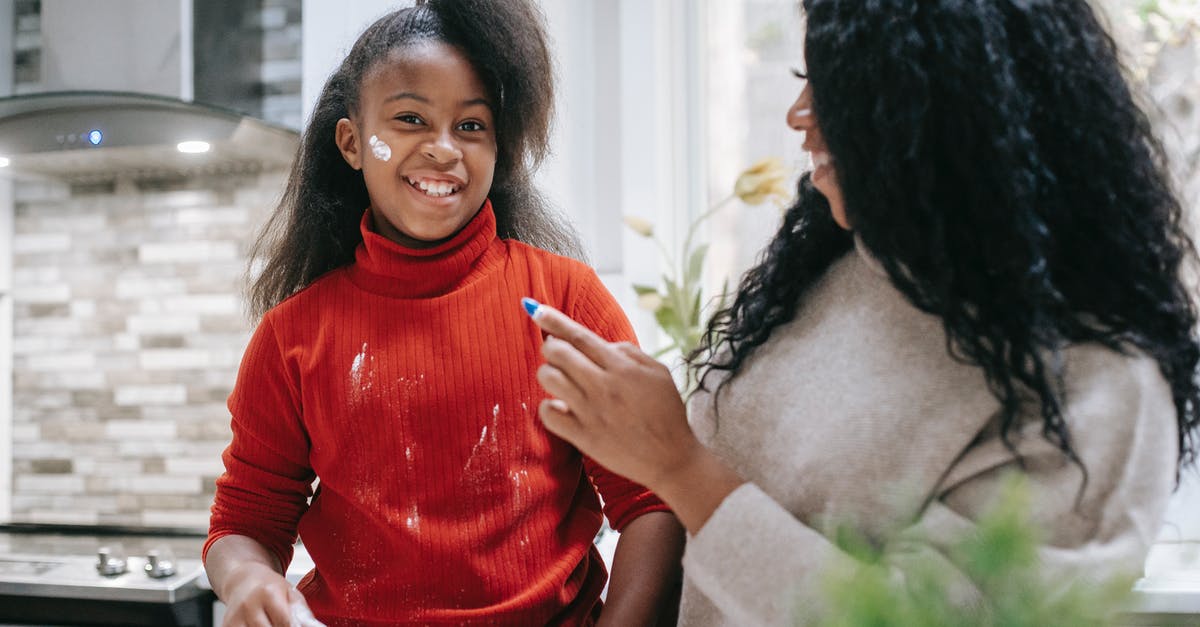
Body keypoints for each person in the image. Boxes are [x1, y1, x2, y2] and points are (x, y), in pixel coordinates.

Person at [526, 0, 1200, 624]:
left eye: (839, 89)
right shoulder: (839, 268)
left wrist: (680, 466)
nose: (799, 114)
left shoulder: (1102, 385)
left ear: (945, 112)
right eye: (805, 78)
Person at [203, 1, 684, 625]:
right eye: (409, 119)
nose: (443, 149)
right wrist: (245, 579)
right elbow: (243, 525)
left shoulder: (565, 301)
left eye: (472, 126)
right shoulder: (291, 337)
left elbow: (650, 500)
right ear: (352, 142)